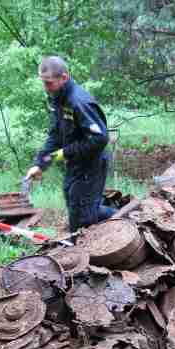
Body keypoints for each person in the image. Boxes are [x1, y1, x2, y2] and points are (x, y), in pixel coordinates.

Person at [25, 56, 116, 232]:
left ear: (64, 78)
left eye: (49, 83)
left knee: (84, 217)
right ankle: (121, 218)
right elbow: (55, 135)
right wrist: (40, 164)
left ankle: (127, 219)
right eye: (43, 82)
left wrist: (64, 153)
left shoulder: (78, 101)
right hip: (76, 164)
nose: (46, 88)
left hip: (92, 165)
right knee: (76, 207)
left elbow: (99, 139)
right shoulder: (60, 99)